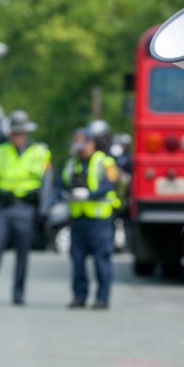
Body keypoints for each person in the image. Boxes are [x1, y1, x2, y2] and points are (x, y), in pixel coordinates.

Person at [0, 110, 52, 305]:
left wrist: (44, 210)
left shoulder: (41, 153)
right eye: (15, 133)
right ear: (9, 133)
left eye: (21, 133)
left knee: (23, 254)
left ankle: (18, 294)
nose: (18, 137)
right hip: (4, 208)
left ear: (27, 133)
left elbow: (47, 184)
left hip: (26, 208)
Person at [61, 127, 121, 310]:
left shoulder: (105, 162)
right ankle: (79, 296)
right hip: (78, 219)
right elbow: (61, 183)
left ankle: (102, 298)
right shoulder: (71, 163)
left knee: (101, 260)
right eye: (77, 145)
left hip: (100, 220)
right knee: (77, 260)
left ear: (91, 143)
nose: (80, 149)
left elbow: (111, 183)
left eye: (83, 145)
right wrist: (65, 194)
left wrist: (89, 194)